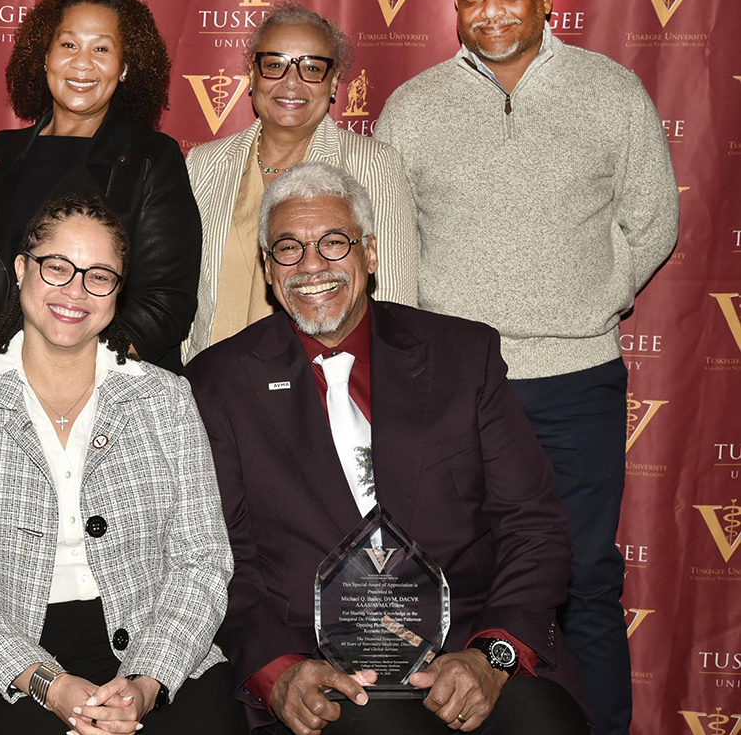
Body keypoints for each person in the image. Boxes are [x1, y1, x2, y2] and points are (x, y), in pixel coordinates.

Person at [374, 0, 679, 735]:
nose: (491, 10)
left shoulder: (611, 92)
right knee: (445, 577)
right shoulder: (413, 107)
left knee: (582, 578)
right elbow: (394, 241)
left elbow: (654, 220)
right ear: (455, 8)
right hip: (451, 389)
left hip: (575, 378)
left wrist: (590, 297)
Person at [185, 164, 587, 735]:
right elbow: (221, 560)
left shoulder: (462, 356)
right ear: (269, 268)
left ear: (370, 253)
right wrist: (280, 673)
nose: (312, 266)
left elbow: (534, 527)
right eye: (288, 249)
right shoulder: (218, 382)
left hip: (468, 642)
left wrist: (490, 656)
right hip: (319, 664)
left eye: (333, 242)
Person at [0, 194, 244, 735]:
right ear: (22, 271)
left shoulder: (166, 400)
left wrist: (146, 681)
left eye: (99, 276)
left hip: (154, 639)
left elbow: (202, 563)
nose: (74, 292)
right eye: (57, 268)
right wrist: (48, 683)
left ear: (117, 292)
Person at [0, 0, 201, 377]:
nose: (82, 64)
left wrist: (64, 390)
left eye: (101, 49)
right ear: (44, 57)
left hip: (103, 398)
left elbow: (163, 303)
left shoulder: (151, 160)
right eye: (68, 45)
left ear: (124, 67)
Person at [183, 2, 418, 362]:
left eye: (311, 68)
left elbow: (393, 298)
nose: (291, 82)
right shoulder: (205, 163)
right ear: (253, 74)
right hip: (213, 387)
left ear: (334, 81)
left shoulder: (371, 163)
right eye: (275, 65)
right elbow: (183, 296)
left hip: (324, 391)